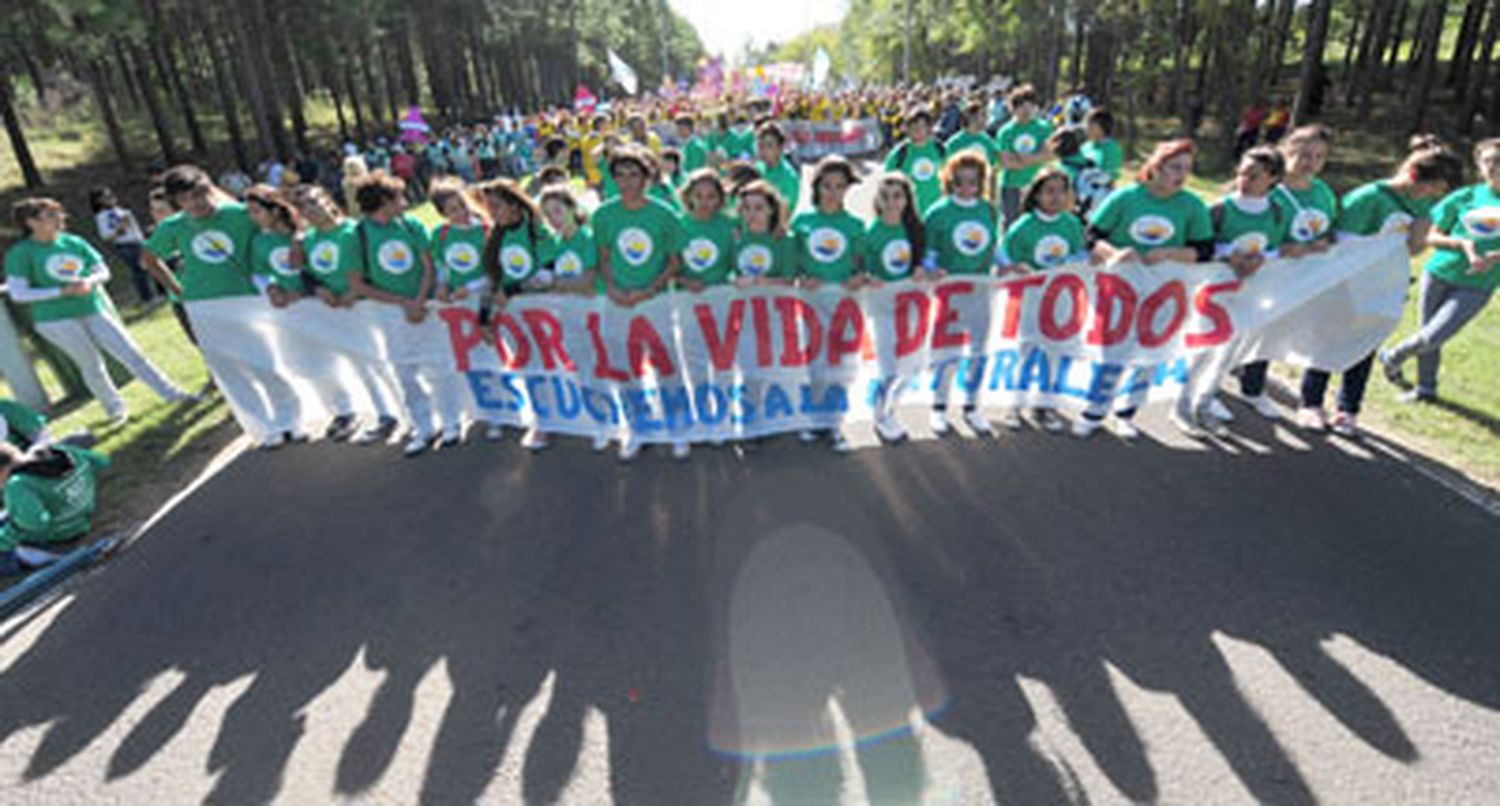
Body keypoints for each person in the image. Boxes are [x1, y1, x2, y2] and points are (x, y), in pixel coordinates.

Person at [1298, 136, 1463, 437]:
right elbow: (1342, 246)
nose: (1433, 196)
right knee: (1328, 341)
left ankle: (1348, 409)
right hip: (1344, 284)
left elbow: (1411, 251)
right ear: (1413, 175)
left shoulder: (1423, 204)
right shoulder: (1370, 197)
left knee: (1364, 347)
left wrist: (1419, 233)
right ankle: (1310, 403)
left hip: (1382, 287)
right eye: (1432, 188)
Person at [6, 198, 191, 425]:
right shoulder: (21, 253)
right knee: (91, 364)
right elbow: (18, 293)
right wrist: (62, 291)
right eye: (50, 215)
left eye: (59, 213)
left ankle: (172, 394)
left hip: (92, 308)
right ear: (31, 223)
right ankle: (115, 411)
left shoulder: (73, 242)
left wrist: (90, 281)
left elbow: (102, 270)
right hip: (55, 320)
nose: (59, 219)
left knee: (130, 353)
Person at [1083, 139, 1214, 439]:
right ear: (1155, 167)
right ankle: (1094, 408)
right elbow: (1091, 237)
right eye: (1174, 168)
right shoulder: (1126, 197)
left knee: (1148, 350)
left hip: (1163, 292)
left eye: (1187, 170)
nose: (1181, 175)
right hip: (1118, 286)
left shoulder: (1192, 205)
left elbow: (1204, 251)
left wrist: (1171, 254)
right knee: (1111, 348)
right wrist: (1115, 254)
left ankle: (1126, 413)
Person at [1378, 138, 1500, 404]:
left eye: (1499, 161)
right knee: (1428, 333)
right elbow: (1431, 237)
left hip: (1477, 284)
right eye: (1489, 161)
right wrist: (1461, 244)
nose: (1495, 167)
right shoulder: (1464, 197)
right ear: (1479, 166)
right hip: (1438, 274)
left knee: (1434, 334)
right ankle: (1426, 388)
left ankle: (1392, 356)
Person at [347, 171, 452, 457]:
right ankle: (424, 425)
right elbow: (357, 283)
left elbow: (428, 267)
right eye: (399, 197)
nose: (405, 202)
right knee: (405, 370)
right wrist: (402, 303)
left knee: (439, 362)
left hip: (424, 306)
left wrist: (417, 301)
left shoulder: (411, 225)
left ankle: (452, 419)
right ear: (384, 201)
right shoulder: (358, 235)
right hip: (388, 313)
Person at [591, 147, 686, 462]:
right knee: (623, 365)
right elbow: (604, 258)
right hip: (617, 300)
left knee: (665, 363)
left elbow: (674, 262)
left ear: (648, 177)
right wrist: (615, 288)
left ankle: (677, 425)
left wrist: (649, 289)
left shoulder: (664, 213)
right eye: (621, 175)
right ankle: (639, 425)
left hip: (655, 301)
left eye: (635, 175)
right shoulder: (603, 214)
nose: (628, 182)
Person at [1195, 147, 1295, 435]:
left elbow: (1275, 248)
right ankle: (1197, 394)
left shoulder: (1277, 213)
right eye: (1241, 173)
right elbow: (1203, 246)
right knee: (1207, 341)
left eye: (1254, 175)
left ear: (1273, 179)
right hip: (1214, 290)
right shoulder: (1219, 209)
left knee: (1231, 343)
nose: (1244, 180)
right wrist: (1229, 255)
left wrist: (1263, 259)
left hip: (1251, 288)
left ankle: (1210, 391)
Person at [921, 151, 1001, 436]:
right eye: (960, 181)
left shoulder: (989, 210)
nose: (967, 188)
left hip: (981, 290)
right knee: (947, 351)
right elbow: (929, 254)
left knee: (979, 350)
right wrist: (932, 270)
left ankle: (972, 406)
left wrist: (1007, 265)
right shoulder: (938, 212)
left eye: (973, 181)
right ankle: (939, 407)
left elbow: (995, 247)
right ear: (949, 181)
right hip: (950, 294)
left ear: (981, 182)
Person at [480, 179, 553, 451]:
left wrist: (513, 289)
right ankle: (543, 422)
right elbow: (492, 279)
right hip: (514, 317)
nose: (492, 212)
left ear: (514, 204)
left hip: (543, 312)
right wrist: (483, 317)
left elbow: (548, 273)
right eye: (489, 207)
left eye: (496, 206)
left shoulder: (536, 230)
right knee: (528, 366)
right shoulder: (495, 237)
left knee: (553, 365)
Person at [862, 173, 926, 443]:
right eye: (885, 196)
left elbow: (926, 261)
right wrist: (868, 276)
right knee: (888, 363)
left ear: (907, 199)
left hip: (911, 305)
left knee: (911, 363)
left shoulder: (915, 230)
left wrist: (925, 270)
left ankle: (892, 406)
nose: (891, 202)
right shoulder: (872, 232)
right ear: (877, 199)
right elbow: (861, 266)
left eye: (897, 196)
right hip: (882, 307)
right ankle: (882, 416)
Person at [0, 441, 109, 577]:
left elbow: (34, 523)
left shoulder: (17, 485)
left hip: (57, 540)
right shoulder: (62, 451)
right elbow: (101, 461)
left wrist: (3, 543)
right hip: (82, 517)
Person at [996, 83, 1055, 227]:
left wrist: (1024, 159)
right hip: (1012, 185)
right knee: (1011, 224)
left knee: (1038, 223)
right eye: (1022, 106)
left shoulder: (1044, 128)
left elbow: (1050, 154)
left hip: (1038, 185)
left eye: (1030, 106)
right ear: (1013, 108)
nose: (1026, 110)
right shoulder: (1006, 131)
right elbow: (1006, 162)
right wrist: (1036, 158)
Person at [1275, 125, 1340, 254]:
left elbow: (1331, 230)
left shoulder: (1322, 190)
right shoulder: (1267, 191)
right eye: (1305, 155)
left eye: (1319, 156)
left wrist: (1326, 241)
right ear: (1285, 153)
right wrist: (1286, 249)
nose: (1312, 162)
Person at [89, 187, 155, 305]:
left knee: (151, 265)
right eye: (106, 197)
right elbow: (106, 236)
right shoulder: (102, 216)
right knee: (138, 270)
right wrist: (121, 228)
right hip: (124, 245)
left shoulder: (121, 211)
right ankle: (147, 298)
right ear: (99, 201)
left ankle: (160, 293)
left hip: (138, 241)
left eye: (111, 195)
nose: (111, 198)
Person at [677, 170, 737, 292]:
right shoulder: (678, 225)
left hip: (720, 296)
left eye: (711, 197)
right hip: (685, 298)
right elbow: (665, 266)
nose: (704, 202)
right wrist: (685, 281)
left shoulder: (731, 225)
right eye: (698, 196)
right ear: (688, 196)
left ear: (720, 198)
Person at [884, 107, 946, 215]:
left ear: (929, 128)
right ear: (907, 128)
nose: (918, 131)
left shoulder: (940, 149)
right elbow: (887, 183)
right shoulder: (899, 153)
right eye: (914, 127)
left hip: (937, 210)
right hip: (909, 212)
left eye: (922, 127)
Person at [754, 121, 801, 215]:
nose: (763, 150)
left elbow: (784, 213)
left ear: (780, 148)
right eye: (761, 145)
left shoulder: (788, 177)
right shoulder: (756, 168)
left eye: (769, 145)